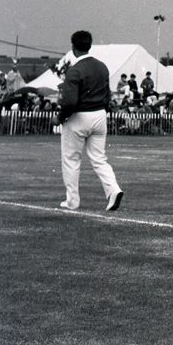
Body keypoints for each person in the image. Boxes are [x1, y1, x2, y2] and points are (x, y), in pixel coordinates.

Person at [55, 30, 124, 212]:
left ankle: (72, 201)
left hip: (79, 117)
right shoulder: (102, 67)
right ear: (89, 45)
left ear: (73, 47)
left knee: (71, 159)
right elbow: (107, 94)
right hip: (100, 115)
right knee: (99, 159)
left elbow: (70, 101)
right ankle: (113, 190)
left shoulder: (74, 70)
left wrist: (60, 118)